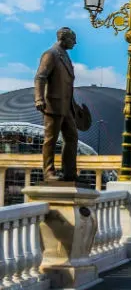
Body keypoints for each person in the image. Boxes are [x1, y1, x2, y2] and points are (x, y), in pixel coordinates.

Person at [34, 27, 92, 183]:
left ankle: (69, 172)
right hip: (53, 104)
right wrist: (39, 98)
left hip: (67, 107)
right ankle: (48, 172)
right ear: (64, 39)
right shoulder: (51, 54)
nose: (75, 43)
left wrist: (75, 106)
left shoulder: (65, 56)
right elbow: (40, 77)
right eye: (73, 39)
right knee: (50, 139)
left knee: (72, 137)